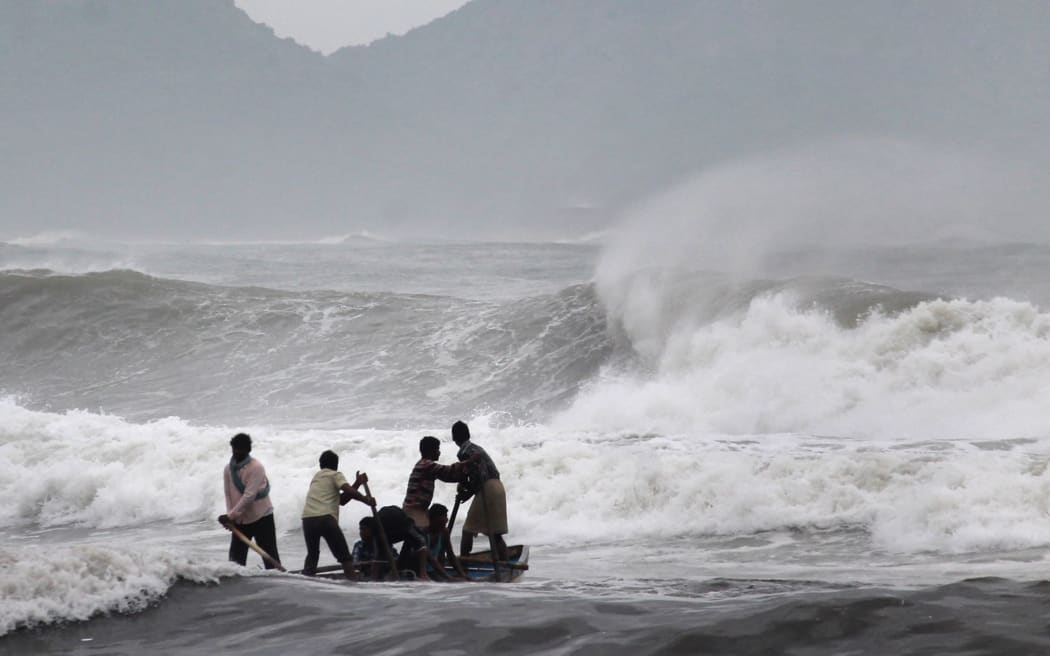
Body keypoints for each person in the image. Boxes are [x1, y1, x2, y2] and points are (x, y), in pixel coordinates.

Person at [301, 450, 375, 579]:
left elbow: (342, 500)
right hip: (325, 518)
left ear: (320, 465)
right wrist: (366, 500)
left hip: (307, 519)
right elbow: (347, 490)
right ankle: (353, 586)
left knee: (312, 555)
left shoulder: (317, 477)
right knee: (345, 557)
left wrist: (357, 483)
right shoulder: (335, 475)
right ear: (336, 465)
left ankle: (307, 583)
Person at [218, 432, 281, 569]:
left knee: (270, 558)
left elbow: (249, 496)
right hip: (240, 518)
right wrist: (231, 517)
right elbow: (228, 493)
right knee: (235, 562)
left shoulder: (256, 467)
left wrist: (230, 515)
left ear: (248, 450)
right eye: (235, 449)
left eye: (241, 449)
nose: (237, 452)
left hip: (261, 517)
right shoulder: (228, 469)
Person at [451, 420, 508, 561]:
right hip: (497, 487)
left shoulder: (464, 452)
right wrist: (466, 490)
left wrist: (466, 493)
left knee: (467, 530)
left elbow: (478, 477)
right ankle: (505, 562)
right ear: (468, 434)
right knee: (494, 533)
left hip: (487, 488)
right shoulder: (476, 448)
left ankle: (464, 564)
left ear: (454, 438)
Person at [366, 506, 449, 581]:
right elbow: (422, 546)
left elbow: (423, 548)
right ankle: (375, 577)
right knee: (380, 553)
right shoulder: (410, 529)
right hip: (387, 523)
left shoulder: (409, 530)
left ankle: (375, 577)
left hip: (390, 522)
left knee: (380, 555)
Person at [402, 435, 467, 529]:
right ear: (430, 451)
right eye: (437, 449)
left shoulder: (424, 465)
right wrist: (469, 462)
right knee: (422, 540)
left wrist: (462, 476)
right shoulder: (427, 465)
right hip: (414, 512)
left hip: (416, 510)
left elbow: (448, 477)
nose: (439, 452)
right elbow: (449, 470)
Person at [425, 503, 469, 581]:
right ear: (433, 519)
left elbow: (451, 555)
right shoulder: (424, 532)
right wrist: (448, 577)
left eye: (446, 516)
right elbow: (431, 559)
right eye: (444, 516)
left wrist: (462, 574)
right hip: (422, 571)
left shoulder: (444, 532)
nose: (446, 519)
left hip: (434, 571)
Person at [351, 516, 398, 580]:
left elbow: (396, 561)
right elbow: (355, 562)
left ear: (372, 530)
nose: (361, 532)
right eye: (360, 529)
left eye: (364, 529)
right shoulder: (359, 545)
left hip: (384, 577)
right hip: (365, 576)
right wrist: (369, 563)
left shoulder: (385, 545)